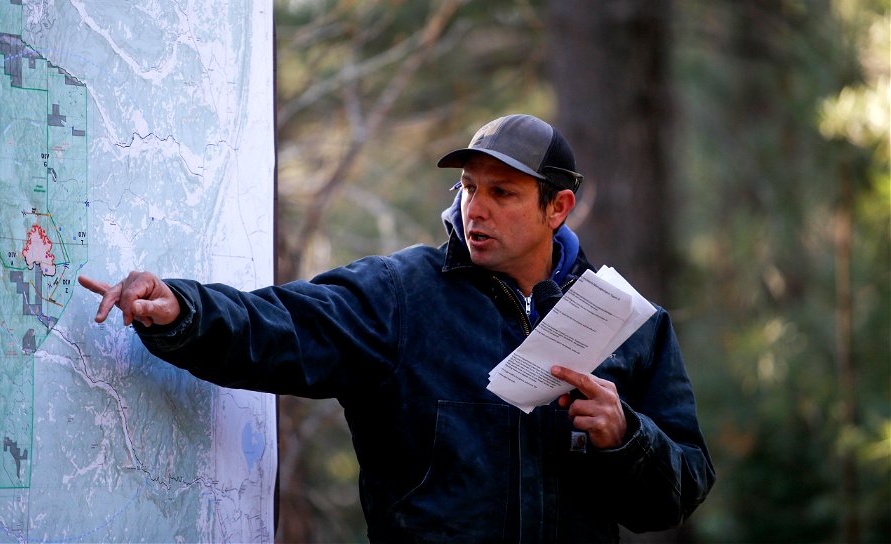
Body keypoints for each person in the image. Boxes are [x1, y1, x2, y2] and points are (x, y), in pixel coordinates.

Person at [79, 113, 715, 543]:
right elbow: (280, 325)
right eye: (469, 188)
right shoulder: (400, 295)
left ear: (559, 208)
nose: (477, 208)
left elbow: (676, 494)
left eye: (503, 192)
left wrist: (626, 436)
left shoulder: (627, 324)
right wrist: (181, 308)